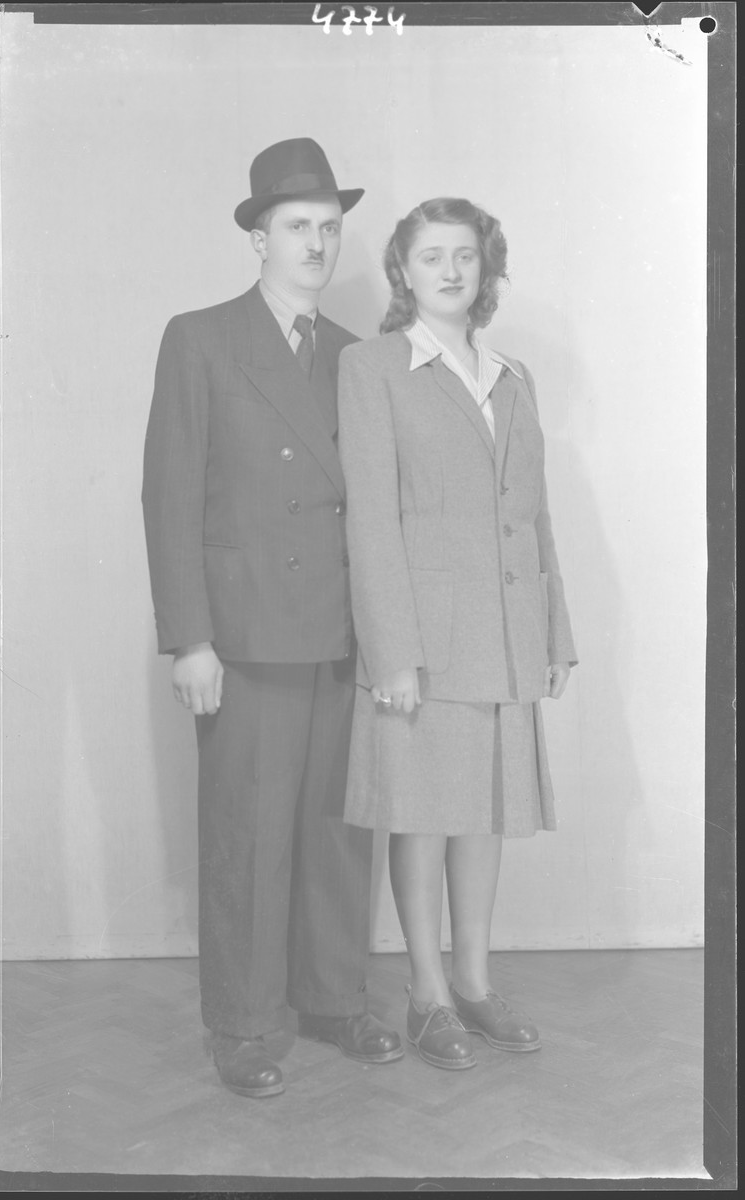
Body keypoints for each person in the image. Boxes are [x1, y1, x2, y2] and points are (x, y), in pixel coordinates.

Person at [142, 138, 403, 1100]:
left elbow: (375, 505)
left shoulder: (353, 354)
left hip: (339, 631)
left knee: (338, 827)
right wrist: (191, 638)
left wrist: (385, 637)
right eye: (297, 227)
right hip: (244, 638)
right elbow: (168, 496)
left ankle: (332, 999)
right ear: (256, 238)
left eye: (330, 229)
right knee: (248, 833)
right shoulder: (201, 337)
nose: (316, 244)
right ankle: (245, 1024)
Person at [337, 197, 577, 1071]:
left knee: (483, 816)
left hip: (507, 634)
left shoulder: (511, 376)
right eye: (430, 256)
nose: (449, 270)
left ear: (486, 268)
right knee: (424, 817)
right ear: (402, 272)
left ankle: (474, 985)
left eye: (464, 256)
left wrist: (552, 634)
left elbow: (533, 514)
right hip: (426, 642)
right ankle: (426, 993)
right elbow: (370, 519)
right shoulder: (373, 367)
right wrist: (389, 650)